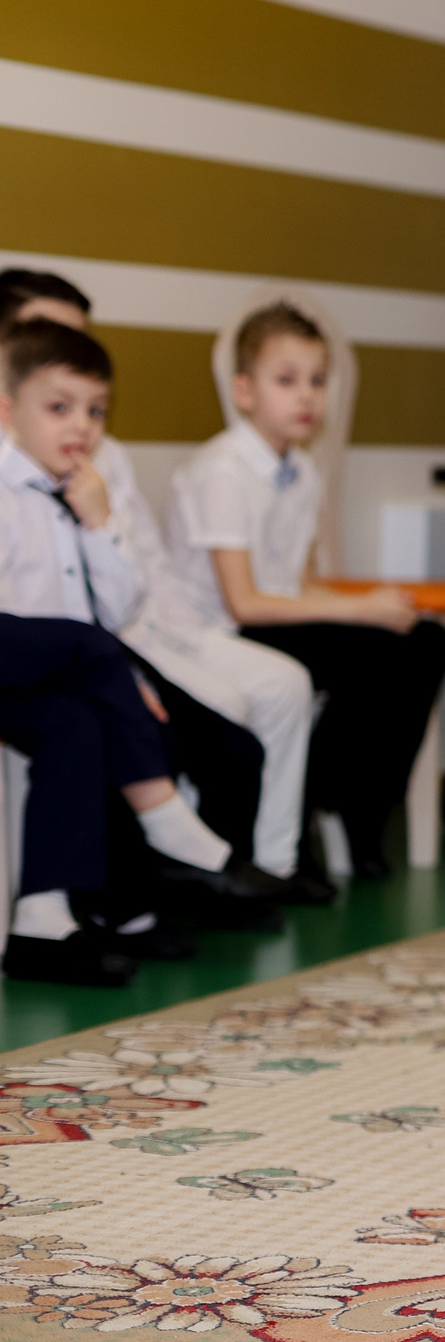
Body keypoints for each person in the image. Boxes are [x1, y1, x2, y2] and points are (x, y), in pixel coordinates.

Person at [0, 269, 326, 903]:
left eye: (92, 402)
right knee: (110, 682)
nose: (65, 364)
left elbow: (136, 584)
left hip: (130, 637)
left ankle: (216, 876)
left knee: (214, 713)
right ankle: (178, 840)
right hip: (57, 651)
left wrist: (101, 530)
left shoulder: (94, 456)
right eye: (42, 340)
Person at [161, 303, 445, 881]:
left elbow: (298, 581)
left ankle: (352, 805)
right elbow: (244, 601)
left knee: (421, 642)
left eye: (317, 381)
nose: (306, 398)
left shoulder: (302, 469)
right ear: (245, 391)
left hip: (276, 617)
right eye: (286, 381)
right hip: (222, 631)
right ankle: (317, 806)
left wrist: (370, 606)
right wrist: (356, 610)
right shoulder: (223, 470)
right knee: (379, 657)